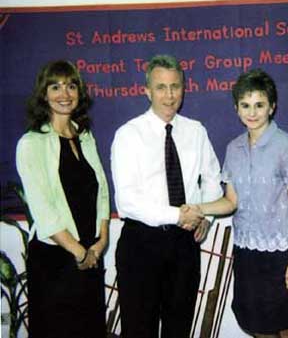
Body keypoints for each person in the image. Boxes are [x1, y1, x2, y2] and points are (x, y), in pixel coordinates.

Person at [190, 69, 288, 338]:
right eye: (245, 105)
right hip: (248, 256)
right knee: (257, 327)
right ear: (236, 108)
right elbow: (231, 201)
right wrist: (199, 208)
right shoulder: (233, 148)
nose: (252, 112)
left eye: (259, 105)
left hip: (284, 254)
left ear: (272, 106)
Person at [111, 54, 223, 338]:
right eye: (161, 87)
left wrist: (205, 217)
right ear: (147, 91)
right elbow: (127, 201)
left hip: (184, 245)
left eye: (175, 86)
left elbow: (213, 180)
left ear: (183, 88)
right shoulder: (128, 135)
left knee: (179, 329)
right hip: (141, 244)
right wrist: (178, 215)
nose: (169, 95)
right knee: (139, 331)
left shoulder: (196, 131)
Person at [16, 60, 110, 338]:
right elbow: (43, 208)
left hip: (91, 256)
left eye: (71, 86)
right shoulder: (31, 143)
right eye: (55, 87)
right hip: (55, 259)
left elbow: (102, 191)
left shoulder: (85, 136)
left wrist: (101, 242)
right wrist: (78, 252)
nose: (65, 94)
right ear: (43, 95)